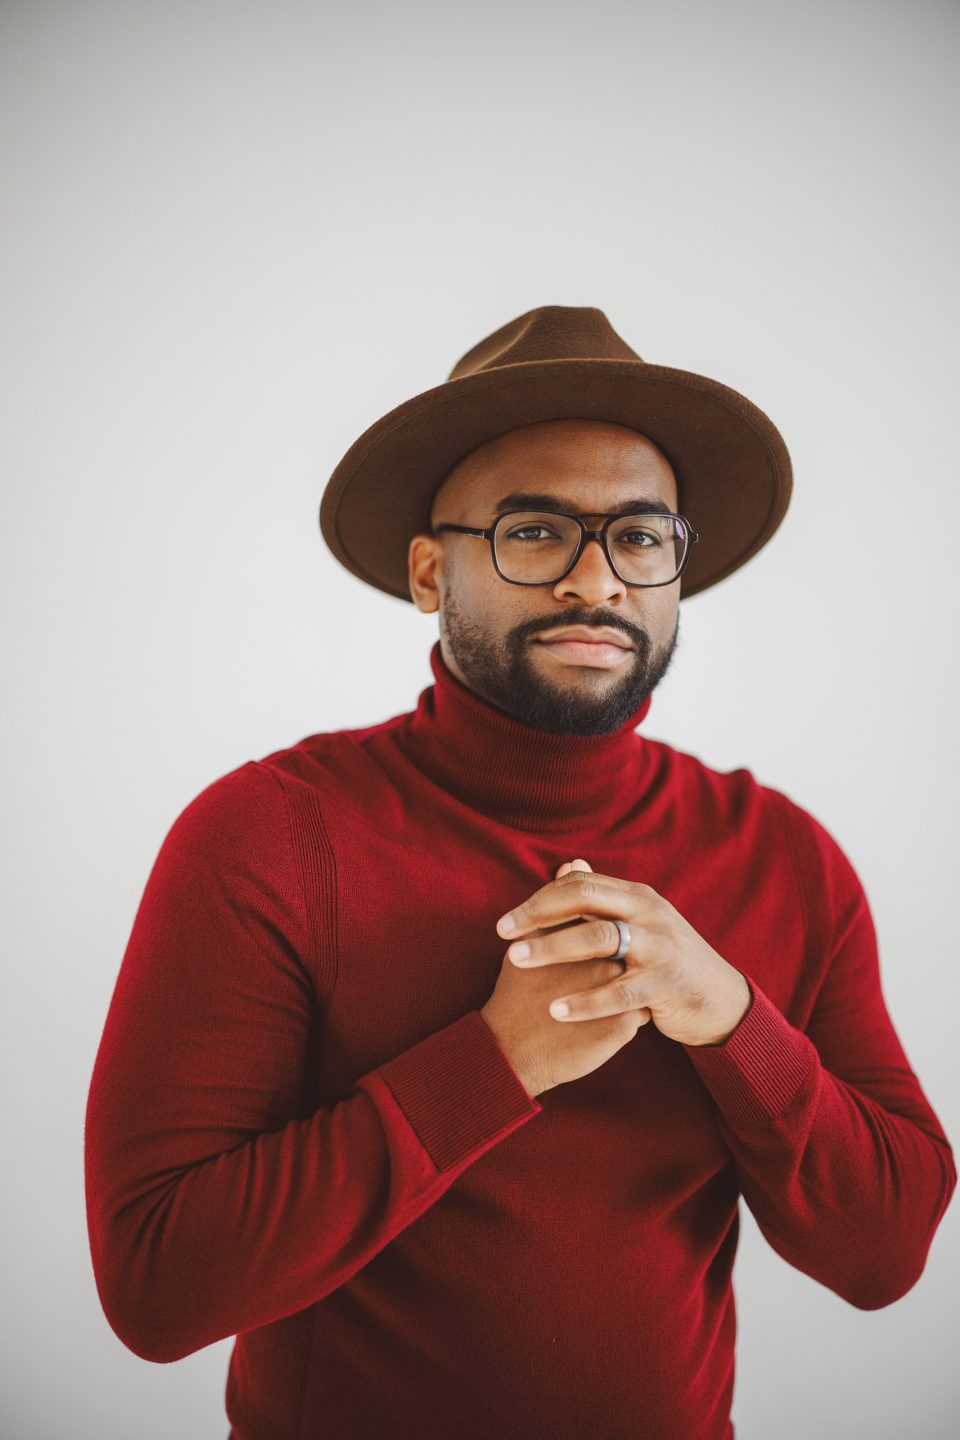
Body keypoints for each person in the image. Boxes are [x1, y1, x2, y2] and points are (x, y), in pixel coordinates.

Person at [84, 306, 956, 1440]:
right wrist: (495, 1062)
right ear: (428, 572)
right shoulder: (268, 837)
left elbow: (886, 1252)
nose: (596, 582)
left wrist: (730, 1016)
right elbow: (157, 1286)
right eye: (536, 531)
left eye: (641, 538)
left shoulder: (783, 856)